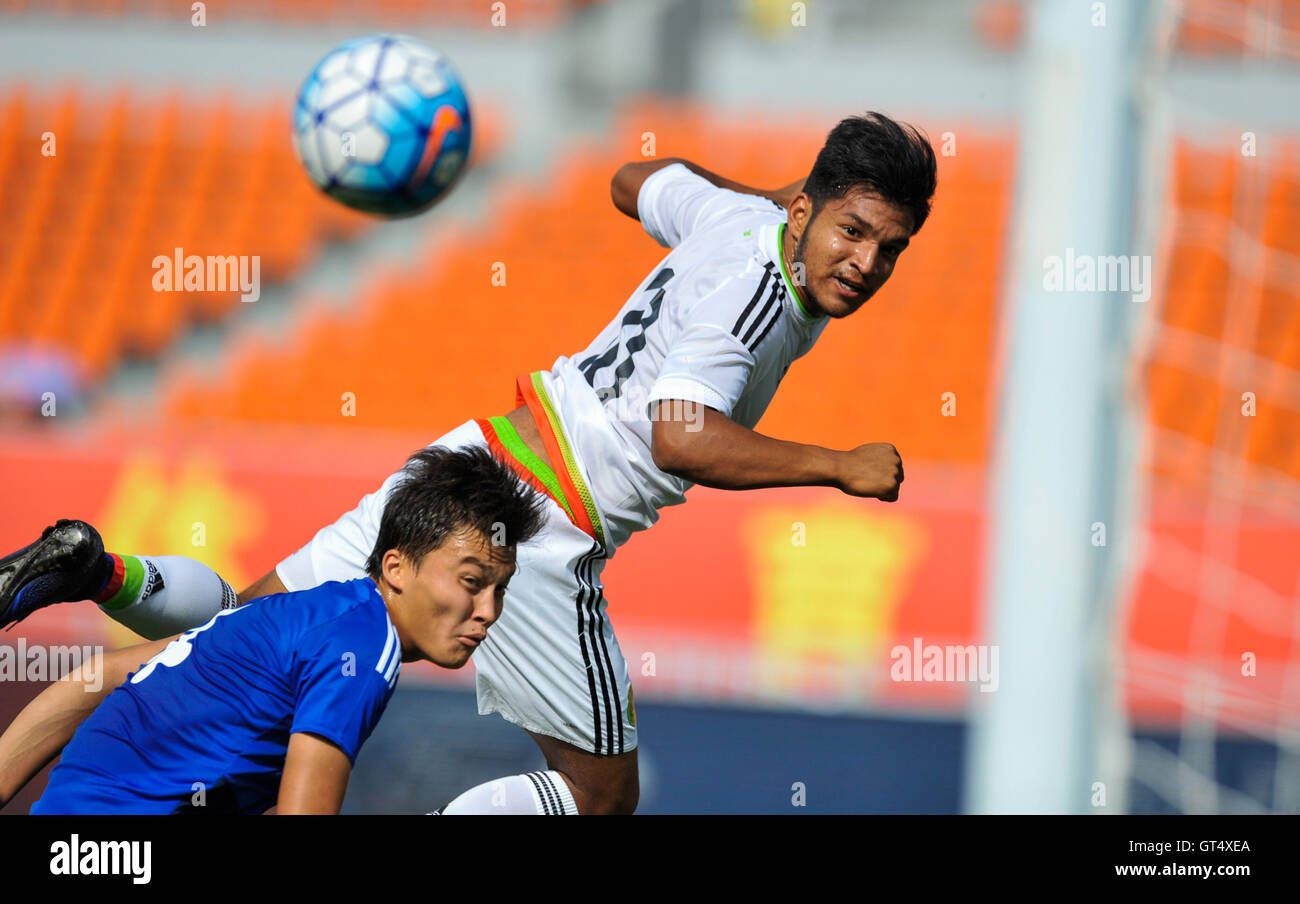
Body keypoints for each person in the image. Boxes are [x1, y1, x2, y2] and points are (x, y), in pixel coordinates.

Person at [0, 111, 936, 814]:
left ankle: (101, 569)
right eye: (851, 232)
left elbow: (631, 177)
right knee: (604, 798)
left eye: (888, 249)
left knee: (236, 645)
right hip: (539, 524)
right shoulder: (759, 301)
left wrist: (766, 196)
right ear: (809, 211)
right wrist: (838, 464)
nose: (865, 262)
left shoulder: (736, 217)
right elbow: (680, 434)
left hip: (466, 458)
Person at [0, 446, 546, 814]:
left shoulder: (299, 612)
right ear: (396, 567)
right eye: (473, 582)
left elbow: (98, 677)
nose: (488, 610)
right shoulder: (364, 647)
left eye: (500, 589)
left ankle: (106, 575)